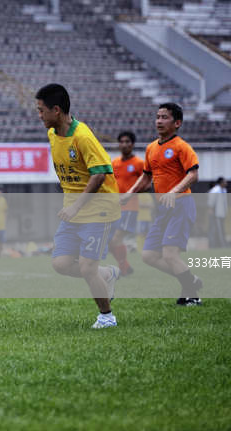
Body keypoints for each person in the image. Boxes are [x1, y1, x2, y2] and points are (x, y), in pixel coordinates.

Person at [35, 83, 121, 329]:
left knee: (87, 267)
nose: (39, 115)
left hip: (99, 210)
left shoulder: (83, 136)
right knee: (60, 264)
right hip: (73, 210)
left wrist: (75, 206)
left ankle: (107, 317)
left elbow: (99, 174)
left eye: (41, 110)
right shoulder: (53, 134)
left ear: (56, 110)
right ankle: (108, 274)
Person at [121, 102, 202, 306]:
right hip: (163, 208)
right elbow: (146, 177)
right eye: (158, 116)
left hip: (181, 204)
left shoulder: (181, 146)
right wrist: (129, 193)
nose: (159, 121)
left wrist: (174, 192)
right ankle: (190, 280)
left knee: (170, 254)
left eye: (165, 117)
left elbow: (193, 174)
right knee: (149, 255)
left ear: (177, 123)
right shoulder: (151, 148)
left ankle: (193, 295)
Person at [108, 131, 144, 276]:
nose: (124, 144)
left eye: (127, 142)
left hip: (130, 207)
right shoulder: (114, 163)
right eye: (121, 142)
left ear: (133, 144)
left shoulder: (139, 163)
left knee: (116, 238)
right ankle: (126, 266)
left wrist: (131, 194)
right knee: (109, 240)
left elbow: (147, 184)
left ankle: (123, 269)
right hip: (114, 207)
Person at [207, 177, 227, 248]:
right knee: (214, 229)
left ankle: (220, 244)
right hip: (215, 213)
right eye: (224, 182)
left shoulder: (224, 190)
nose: (226, 183)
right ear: (221, 182)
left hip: (222, 213)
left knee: (221, 229)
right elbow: (211, 201)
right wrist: (211, 209)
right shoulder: (215, 190)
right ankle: (216, 245)